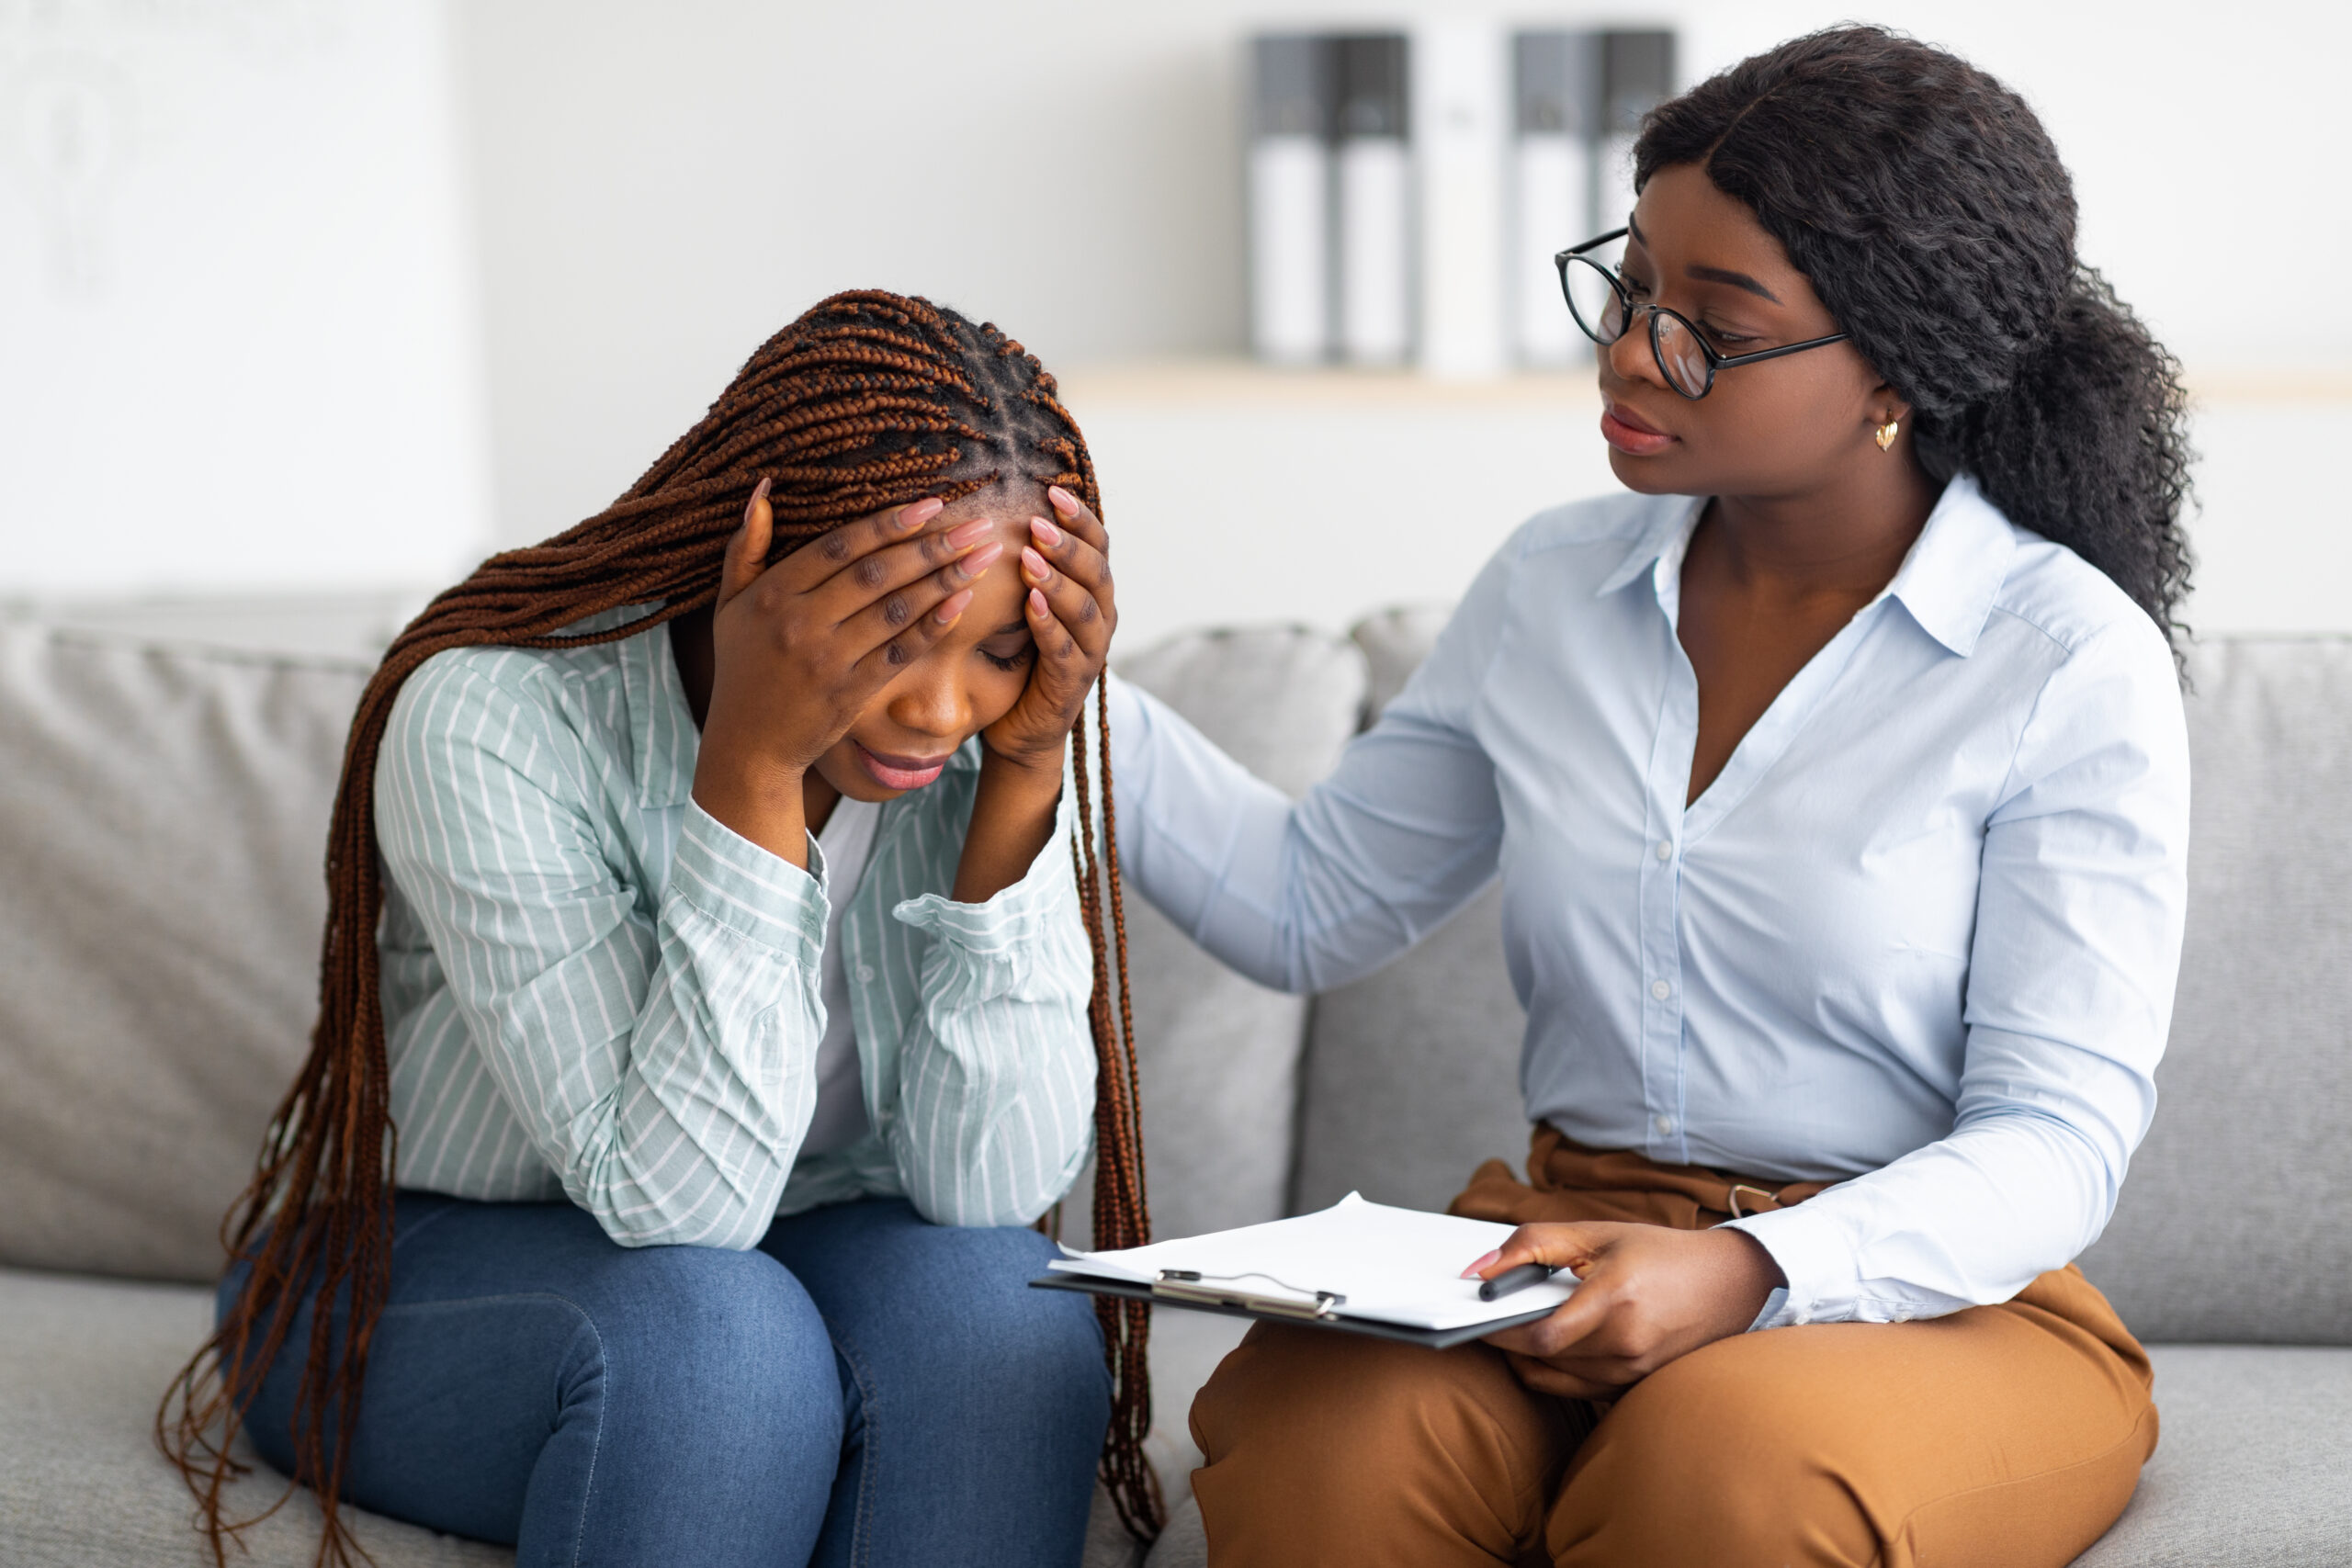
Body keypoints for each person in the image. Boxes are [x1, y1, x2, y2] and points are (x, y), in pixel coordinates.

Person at [1097, 26, 2193, 1567]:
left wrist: (1748, 1272)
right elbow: (1306, 903)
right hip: (1566, 1239)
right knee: (1323, 1444)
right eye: (1630, 291)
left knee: (1723, 1475)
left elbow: (2058, 1141)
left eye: (1712, 325)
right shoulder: (1551, 587)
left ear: (1893, 366)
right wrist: (1069, 680)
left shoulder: (2064, 662)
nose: (1628, 354)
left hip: (1929, 1301)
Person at [159, 291, 1159, 1568]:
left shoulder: (983, 752)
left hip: (794, 1236)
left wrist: (1023, 784)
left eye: (1004, 651)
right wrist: (748, 765)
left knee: (1004, 1324)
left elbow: (991, 1188)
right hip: (423, 1252)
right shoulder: (491, 724)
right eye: (894, 637)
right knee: (720, 1357)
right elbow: (678, 1203)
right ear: (760, 553)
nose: (940, 708)